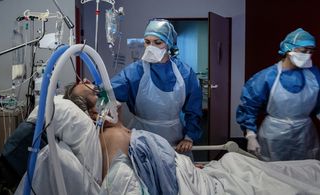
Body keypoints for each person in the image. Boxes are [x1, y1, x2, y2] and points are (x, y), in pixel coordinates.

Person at [64, 81, 320, 195]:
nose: (104, 90)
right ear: (95, 112)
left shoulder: (181, 72)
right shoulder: (112, 137)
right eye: (96, 91)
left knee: (238, 163)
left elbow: (194, 109)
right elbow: (124, 182)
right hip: (197, 181)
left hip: (192, 169)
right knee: (272, 179)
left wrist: (181, 159)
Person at [111, 18, 203, 153]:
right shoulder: (135, 71)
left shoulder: (184, 73)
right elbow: (110, 90)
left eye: (157, 42)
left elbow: (194, 109)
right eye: (147, 42)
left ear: (169, 44)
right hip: (141, 135)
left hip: (173, 138)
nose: (151, 47)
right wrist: (94, 89)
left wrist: (189, 137)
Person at [236, 28, 320, 161]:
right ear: (288, 49)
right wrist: (251, 135)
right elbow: (249, 106)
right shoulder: (267, 76)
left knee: (305, 173)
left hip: (305, 134)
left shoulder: (314, 75)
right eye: (304, 51)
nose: (308, 55)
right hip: (274, 135)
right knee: (273, 174)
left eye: (311, 52)